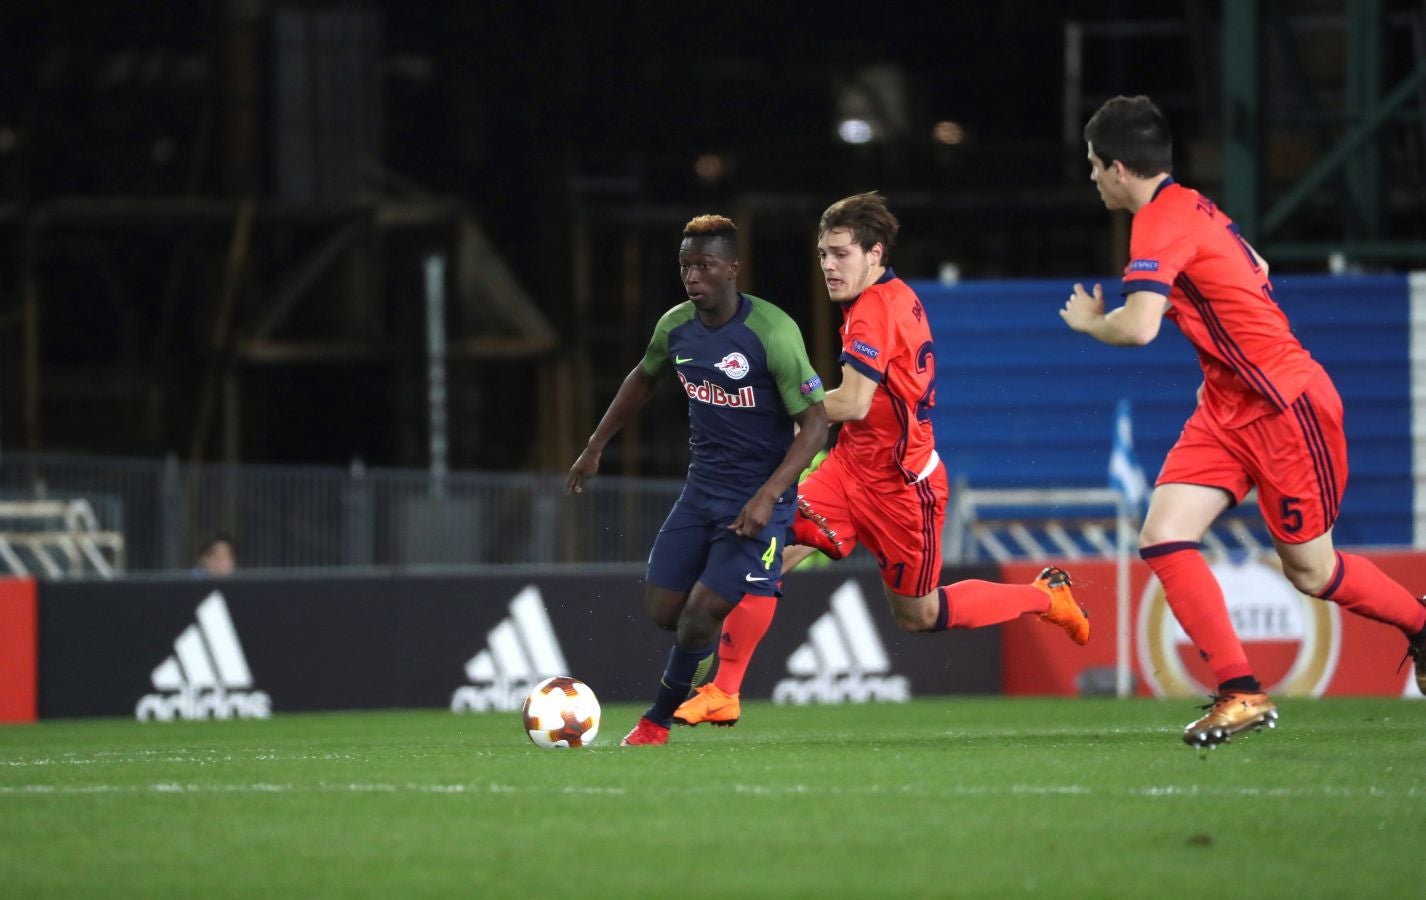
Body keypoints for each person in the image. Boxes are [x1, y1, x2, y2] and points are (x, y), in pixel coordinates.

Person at [1060, 94, 1426, 747]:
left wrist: (1092, 324)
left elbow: (1141, 328)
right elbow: (1256, 263)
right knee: (1164, 536)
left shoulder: (1159, 223)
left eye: (1092, 165)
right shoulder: (1193, 205)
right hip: (1227, 407)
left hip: (1287, 408)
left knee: (1311, 572)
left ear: (1118, 169)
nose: (1089, 178)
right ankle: (1240, 691)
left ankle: (1419, 623)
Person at [672, 191, 1091, 730]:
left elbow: (852, 402)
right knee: (764, 548)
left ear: (875, 254)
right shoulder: (885, 298)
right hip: (848, 471)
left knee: (920, 614)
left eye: (841, 253)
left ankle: (1042, 598)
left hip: (903, 490)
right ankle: (724, 690)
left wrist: (766, 400)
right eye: (823, 253)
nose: (828, 264)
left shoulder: (875, 310)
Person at [565, 213, 830, 746]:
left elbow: (816, 424)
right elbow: (643, 377)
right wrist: (595, 446)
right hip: (701, 493)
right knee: (665, 612)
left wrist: (768, 496)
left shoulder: (772, 332)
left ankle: (655, 722)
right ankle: (744, 586)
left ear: (733, 268)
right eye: (686, 266)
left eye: (705, 266)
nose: (692, 276)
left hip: (758, 502)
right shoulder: (676, 326)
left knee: (698, 617)